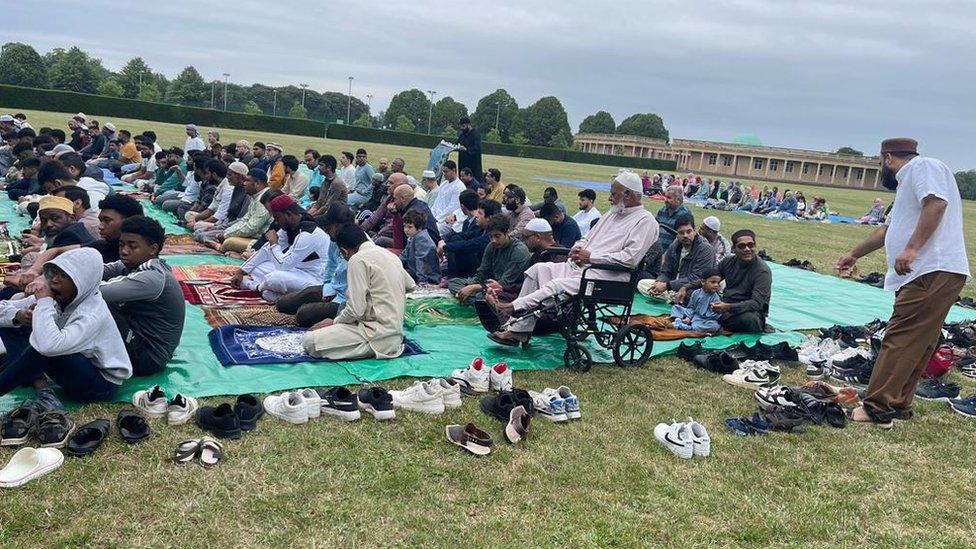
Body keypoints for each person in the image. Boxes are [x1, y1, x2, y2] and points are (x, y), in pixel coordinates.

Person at [836, 137, 970, 427]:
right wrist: (852, 254)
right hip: (932, 272)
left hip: (930, 269)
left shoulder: (922, 167)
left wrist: (911, 249)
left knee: (900, 337)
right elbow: (886, 231)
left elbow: (936, 204)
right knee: (920, 341)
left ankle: (877, 408)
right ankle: (898, 404)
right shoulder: (908, 185)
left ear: (887, 158)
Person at [486, 171, 658, 345]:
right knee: (537, 270)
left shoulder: (646, 221)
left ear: (627, 194)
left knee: (558, 285)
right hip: (584, 266)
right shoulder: (612, 214)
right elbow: (587, 238)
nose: (609, 199)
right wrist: (577, 249)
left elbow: (630, 259)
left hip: (609, 276)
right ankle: (520, 330)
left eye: (613, 194)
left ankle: (512, 307)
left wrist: (592, 257)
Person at [0, 248, 131, 408]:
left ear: (82, 281)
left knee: (42, 348)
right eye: (53, 273)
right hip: (69, 363)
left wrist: (44, 303)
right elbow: (3, 308)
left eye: (64, 276)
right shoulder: (60, 295)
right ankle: (42, 388)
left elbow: (48, 346)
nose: (55, 280)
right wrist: (19, 315)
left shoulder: (91, 314)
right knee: (11, 322)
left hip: (99, 385)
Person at [302, 223, 415, 360]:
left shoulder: (357, 259)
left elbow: (356, 310)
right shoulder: (389, 255)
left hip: (374, 335)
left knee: (310, 341)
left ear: (344, 251)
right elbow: (410, 285)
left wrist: (334, 322)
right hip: (395, 334)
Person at [99, 216, 185, 377]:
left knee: (96, 303)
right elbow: (98, 269)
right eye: (121, 244)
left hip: (148, 357)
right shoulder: (131, 263)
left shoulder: (153, 277)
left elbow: (99, 292)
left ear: (153, 249)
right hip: (136, 337)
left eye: (132, 246)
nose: (124, 251)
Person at [232, 195, 331, 302]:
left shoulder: (308, 234)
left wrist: (274, 244)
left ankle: (255, 286)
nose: (276, 222)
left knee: (274, 277)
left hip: (314, 279)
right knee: (257, 267)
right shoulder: (289, 227)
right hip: (296, 271)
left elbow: (283, 266)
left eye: (277, 218)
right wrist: (241, 271)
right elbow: (265, 250)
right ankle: (279, 294)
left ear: (288, 214)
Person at [675, 229, 771, 333]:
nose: (747, 249)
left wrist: (728, 307)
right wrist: (685, 287)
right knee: (691, 294)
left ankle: (703, 320)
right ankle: (705, 321)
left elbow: (756, 303)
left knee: (750, 320)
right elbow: (709, 279)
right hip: (724, 304)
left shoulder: (762, 271)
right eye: (742, 246)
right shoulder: (728, 262)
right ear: (734, 248)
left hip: (746, 311)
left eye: (750, 245)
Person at [275, 203, 353, 327]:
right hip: (331, 289)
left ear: (337, 226)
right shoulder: (335, 240)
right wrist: (327, 289)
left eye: (329, 226)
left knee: (303, 315)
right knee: (283, 304)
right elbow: (330, 266)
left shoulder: (358, 246)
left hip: (345, 300)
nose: (326, 229)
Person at [448, 214, 530, 305]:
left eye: (497, 236)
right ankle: (478, 302)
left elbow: (505, 283)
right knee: (453, 283)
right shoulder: (491, 246)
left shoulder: (519, 250)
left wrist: (474, 288)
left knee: (484, 296)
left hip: (509, 290)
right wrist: (470, 285)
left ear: (507, 232)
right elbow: (482, 273)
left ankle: (479, 302)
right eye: (491, 237)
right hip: (489, 285)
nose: (494, 240)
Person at [647, 215, 715, 294]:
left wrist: (667, 286)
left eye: (688, 231)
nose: (685, 235)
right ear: (677, 234)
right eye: (681, 233)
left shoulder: (705, 249)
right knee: (643, 283)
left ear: (695, 231)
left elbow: (698, 278)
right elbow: (665, 271)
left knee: (690, 294)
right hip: (672, 285)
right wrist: (659, 282)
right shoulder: (674, 246)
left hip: (692, 289)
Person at [213, 168, 273, 254]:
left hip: (261, 240)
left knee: (228, 242)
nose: (244, 184)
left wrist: (226, 234)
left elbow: (251, 228)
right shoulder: (255, 197)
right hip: (252, 236)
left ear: (257, 183)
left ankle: (218, 247)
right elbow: (244, 220)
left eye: (247, 181)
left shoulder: (264, 198)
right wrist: (226, 232)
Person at [440, 195, 498, 278]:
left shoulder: (492, 235)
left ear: (489, 218)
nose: (476, 216)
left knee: (461, 248)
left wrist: (444, 247)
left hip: (486, 272)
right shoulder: (482, 230)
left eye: (480, 213)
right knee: (456, 238)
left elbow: (470, 244)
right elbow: (463, 235)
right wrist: (442, 240)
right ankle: (452, 277)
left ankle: (453, 278)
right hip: (477, 265)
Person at [670, 267, 722, 332]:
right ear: (703, 282)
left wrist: (713, 308)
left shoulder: (715, 297)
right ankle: (678, 320)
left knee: (714, 326)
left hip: (703, 319)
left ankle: (689, 328)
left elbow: (714, 315)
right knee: (676, 307)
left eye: (718, 283)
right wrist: (689, 317)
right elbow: (691, 307)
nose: (716, 285)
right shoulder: (696, 293)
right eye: (713, 282)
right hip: (693, 313)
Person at [400, 209, 440, 285]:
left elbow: (421, 261)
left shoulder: (422, 238)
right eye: (405, 226)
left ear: (419, 228)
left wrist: (422, 281)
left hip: (428, 277)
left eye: (410, 227)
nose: (406, 230)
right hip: (415, 271)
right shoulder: (413, 236)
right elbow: (404, 255)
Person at [431, 160, 465, 235]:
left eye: (446, 172)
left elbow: (452, 207)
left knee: (432, 230)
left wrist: (438, 219)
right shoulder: (444, 184)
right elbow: (436, 202)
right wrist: (431, 215)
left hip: (448, 221)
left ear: (454, 170)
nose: (444, 174)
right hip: (437, 217)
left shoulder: (459, 187)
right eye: (443, 172)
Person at [656, 185, 691, 249]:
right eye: (665, 197)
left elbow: (684, 238)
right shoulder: (661, 211)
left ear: (678, 200)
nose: (665, 200)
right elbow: (655, 229)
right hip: (657, 251)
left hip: (672, 254)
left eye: (669, 198)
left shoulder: (685, 214)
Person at [456, 116, 482, 180]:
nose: (461, 128)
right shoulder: (462, 134)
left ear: (468, 125)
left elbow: (477, 148)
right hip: (462, 163)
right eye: (460, 126)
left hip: (473, 165)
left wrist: (466, 149)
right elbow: (457, 143)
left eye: (463, 126)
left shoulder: (475, 134)